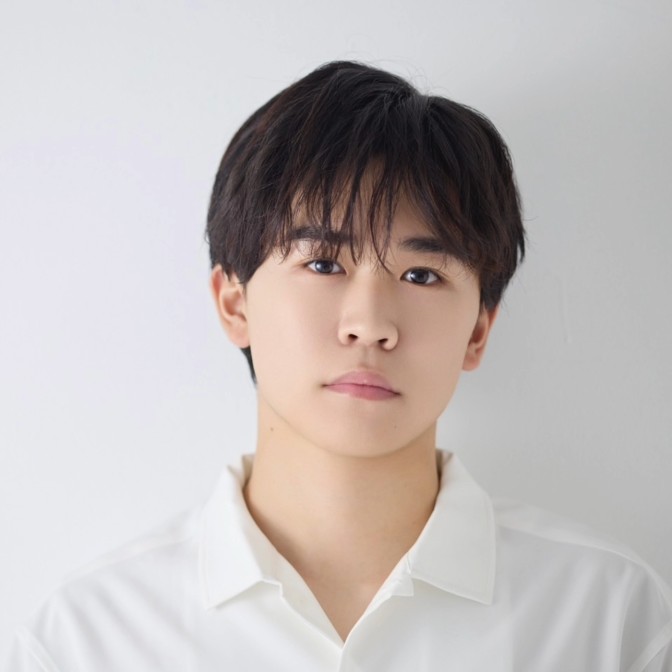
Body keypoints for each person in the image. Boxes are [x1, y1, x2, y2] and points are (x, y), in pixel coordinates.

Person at [5, 61, 671, 671]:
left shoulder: (610, 618)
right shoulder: (88, 640)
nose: (371, 324)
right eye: (323, 264)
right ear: (234, 303)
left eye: (422, 274)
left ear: (478, 331)